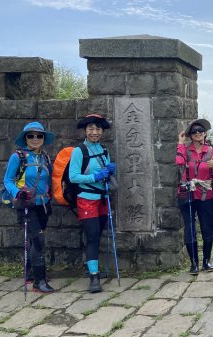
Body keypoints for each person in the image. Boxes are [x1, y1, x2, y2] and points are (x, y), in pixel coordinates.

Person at [4, 122, 56, 294]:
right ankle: (39, 281)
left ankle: (31, 273)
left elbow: (48, 181)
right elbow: (8, 180)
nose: (35, 139)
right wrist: (18, 193)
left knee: (35, 240)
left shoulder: (45, 157)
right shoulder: (18, 157)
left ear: (43, 138)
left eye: (39, 135)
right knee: (39, 240)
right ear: (25, 138)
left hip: (43, 205)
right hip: (26, 204)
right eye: (30, 136)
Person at [69, 114, 116, 293]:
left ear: (102, 131)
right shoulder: (79, 151)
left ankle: (93, 268)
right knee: (93, 236)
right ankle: (94, 277)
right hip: (86, 199)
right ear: (85, 130)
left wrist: (110, 171)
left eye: (98, 129)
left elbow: (106, 175)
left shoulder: (104, 150)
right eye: (91, 129)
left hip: (102, 198)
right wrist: (95, 176)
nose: (94, 132)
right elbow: (74, 177)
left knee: (98, 234)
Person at [176, 119, 213, 275]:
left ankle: (206, 260)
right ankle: (193, 263)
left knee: (207, 226)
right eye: (194, 131)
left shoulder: (212, 152)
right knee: (190, 227)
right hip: (187, 193)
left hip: (205, 194)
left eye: (200, 131)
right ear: (190, 135)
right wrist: (181, 142)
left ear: (205, 133)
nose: (198, 133)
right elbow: (179, 162)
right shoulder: (185, 150)